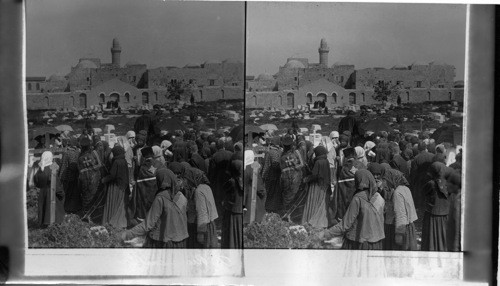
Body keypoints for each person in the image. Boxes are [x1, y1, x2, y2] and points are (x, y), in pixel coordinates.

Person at [122, 168, 188, 248]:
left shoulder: (161, 198)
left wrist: (127, 234)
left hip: (165, 242)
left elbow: (148, 224)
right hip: (181, 242)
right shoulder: (181, 196)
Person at [319, 169, 385, 250]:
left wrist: (325, 234)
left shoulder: (358, 198)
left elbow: (345, 225)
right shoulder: (379, 197)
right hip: (376, 242)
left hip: (359, 242)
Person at [421, 162, 451, 251]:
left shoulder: (431, 183)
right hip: (446, 214)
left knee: (432, 237)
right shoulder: (448, 182)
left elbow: (423, 192)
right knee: (443, 236)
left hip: (432, 215)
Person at [301, 146, 330, 228]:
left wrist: (306, 179)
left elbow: (314, 175)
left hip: (316, 185)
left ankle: (312, 220)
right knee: (321, 202)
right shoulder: (326, 160)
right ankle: (322, 221)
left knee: (313, 202)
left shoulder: (318, 162)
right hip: (324, 185)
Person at [34, 151, 65, 227]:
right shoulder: (52, 169)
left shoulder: (40, 170)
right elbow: (57, 185)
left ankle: (44, 223)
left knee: (44, 207)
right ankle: (52, 224)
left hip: (42, 193)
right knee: (52, 209)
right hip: (51, 193)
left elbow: (36, 182)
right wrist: (61, 193)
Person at [101, 145, 129, 229]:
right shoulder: (124, 160)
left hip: (116, 186)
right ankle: (121, 222)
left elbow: (112, 175)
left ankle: (113, 221)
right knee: (120, 203)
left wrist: (104, 180)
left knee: (113, 203)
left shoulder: (116, 162)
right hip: (123, 185)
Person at [129, 147, 157, 225]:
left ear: (144, 156)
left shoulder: (143, 167)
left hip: (144, 192)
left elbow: (139, 181)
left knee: (144, 208)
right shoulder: (157, 163)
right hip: (155, 191)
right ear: (152, 154)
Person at [279, 135, 304, 220]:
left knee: (293, 196)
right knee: (287, 196)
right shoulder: (282, 154)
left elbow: (302, 164)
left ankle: (292, 215)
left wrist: (296, 167)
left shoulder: (295, 152)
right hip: (288, 178)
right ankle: (287, 215)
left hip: (293, 177)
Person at [221, 160, 244, 249]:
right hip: (240, 210)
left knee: (231, 234)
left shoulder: (232, 181)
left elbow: (224, 188)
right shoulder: (242, 180)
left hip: (232, 211)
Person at [208, 139, 233, 217]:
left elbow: (212, 171)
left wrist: (210, 182)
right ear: (224, 146)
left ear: (216, 147)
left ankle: (220, 216)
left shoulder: (214, 156)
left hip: (218, 181)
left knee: (219, 199)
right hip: (229, 179)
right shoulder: (231, 154)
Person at [77, 137, 102, 214]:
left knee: (86, 195)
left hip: (84, 178)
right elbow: (100, 164)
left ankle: (86, 213)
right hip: (94, 177)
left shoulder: (80, 157)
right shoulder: (94, 153)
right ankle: (94, 213)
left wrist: (86, 170)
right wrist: (92, 168)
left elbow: (79, 170)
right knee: (94, 195)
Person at [58, 137, 81, 214]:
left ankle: (67, 208)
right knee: (75, 191)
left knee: (68, 192)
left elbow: (63, 165)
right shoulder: (78, 152)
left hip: (68, 176)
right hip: (77, 175)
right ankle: (75, 207)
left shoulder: (67, 153)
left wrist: (60, 176)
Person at [410, 142, 435, 209]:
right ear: (425, 148)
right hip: (430, 179)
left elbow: (414, 173)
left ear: (418, 149)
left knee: (421, 197)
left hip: (420, 181)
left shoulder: (416, 158)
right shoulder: (432, 156)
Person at [194, 184, 219, 248]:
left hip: (204, 227)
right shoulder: (206, 187)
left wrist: (200, 232)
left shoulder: (198, 191)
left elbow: (202, 212)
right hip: (210, 224)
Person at [446, 171, 461, 252]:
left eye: (449, 182)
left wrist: (455, 248)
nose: (446, 184)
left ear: (455, 185)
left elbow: (458, 227)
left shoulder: (459, 200)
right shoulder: (454, 197)